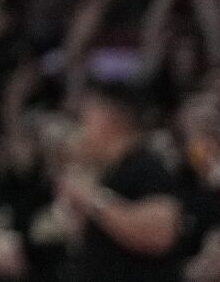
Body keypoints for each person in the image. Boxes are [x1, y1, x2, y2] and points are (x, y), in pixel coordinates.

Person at [55, 79, 181, 282]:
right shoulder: (109, 172)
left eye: (87, 113)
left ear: (110, 117)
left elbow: (161, 234)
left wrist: (92, 197)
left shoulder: (145, 166)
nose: (81, 124)